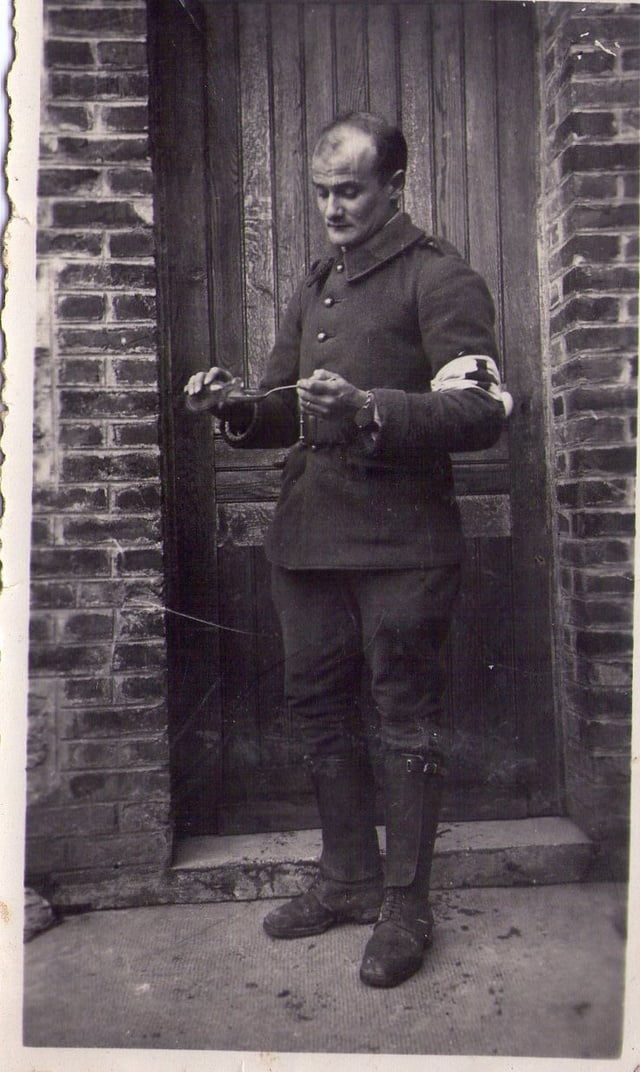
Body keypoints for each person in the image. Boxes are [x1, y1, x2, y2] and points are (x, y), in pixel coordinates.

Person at [185, 112, 512, 989]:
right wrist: (235, 406)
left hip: (404, 543)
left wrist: (370, 408)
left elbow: (483, 412)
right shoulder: (318, 282)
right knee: (320, 713)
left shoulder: (440, 278)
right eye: (322, 191)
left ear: (394, 187)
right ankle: (347, 880)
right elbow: (289, 406)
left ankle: (406, 906)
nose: (331, 206)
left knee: (404, 718)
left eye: (350, 190)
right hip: (310, 542)